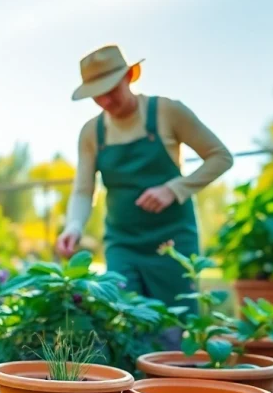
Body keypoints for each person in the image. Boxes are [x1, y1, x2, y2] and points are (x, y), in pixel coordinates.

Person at [55, 45, 233, 315]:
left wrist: (174, 189)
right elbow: (83, 190)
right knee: (125, 321)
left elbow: (220, 156)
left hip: (173, 243)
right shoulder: (92, 132)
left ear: (130, 75)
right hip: (122, 244)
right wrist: (74, 226)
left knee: (176, 329)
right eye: (96, 96)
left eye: (111, 90)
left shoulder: (167, 112)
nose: (105, 102)